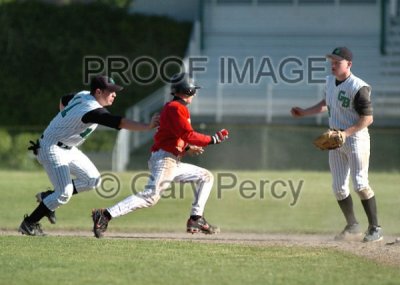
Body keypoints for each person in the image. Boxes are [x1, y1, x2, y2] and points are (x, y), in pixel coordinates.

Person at [91, 73, 229, 238]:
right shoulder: (176, 108)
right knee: (150, 196)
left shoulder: (175, 108)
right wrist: (212, 139)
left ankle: (196, 218)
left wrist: (186, 149)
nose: (195, 93)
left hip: (170, 160)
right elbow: (188, 134)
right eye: (194, 90)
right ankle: (105, 215)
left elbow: (172, 136)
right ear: (189, 90)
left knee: (206, 177)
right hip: (165, 160)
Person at [19, 75, 159, 236]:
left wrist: (65, 123)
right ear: (98, 92)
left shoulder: (84, 94)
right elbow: (118, 122)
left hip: (67, 148)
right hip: (51, 148)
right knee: (64, 193)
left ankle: (48, 196)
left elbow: (64, 100)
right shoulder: (91, 109)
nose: (114, 94)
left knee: (92, 179)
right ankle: (29, 223)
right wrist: (147, 126)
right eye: (111, 91)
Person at [291, 47, 383, 242]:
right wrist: (305, 112)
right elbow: (328, 102)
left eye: (337, 62)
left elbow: (368, 119)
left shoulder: (359, 87)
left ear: (348, 64)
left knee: (360, 184)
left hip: (356, 139)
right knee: (339, 188)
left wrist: (345, 133)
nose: (333, 65)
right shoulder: (329, 82)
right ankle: (353, 225)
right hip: (335, 140)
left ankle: (375, 228)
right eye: (331, 61)